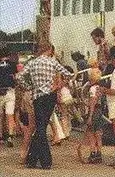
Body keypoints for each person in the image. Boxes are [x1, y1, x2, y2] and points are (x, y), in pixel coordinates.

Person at [16, 42, 74, 170]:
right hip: (50, 96)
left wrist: (29, 87)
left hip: (37, 96)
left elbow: (19, 77)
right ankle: (45, 161)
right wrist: (59, 85)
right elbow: (69, 74)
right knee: (42, 127)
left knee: (40, 126)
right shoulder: (52, 62)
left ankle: (32, 159)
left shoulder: (32, 63)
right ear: (48, 50)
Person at [79, 68, 105, 164]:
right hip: (99, 111)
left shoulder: (92, 89)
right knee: (98, 133)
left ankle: (93, 153)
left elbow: (93, 102)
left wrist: (89, 116)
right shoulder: (99, 88)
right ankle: (99, 153)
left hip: (94, 111)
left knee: (91, 132)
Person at [0, 45, 17, 147]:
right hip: (10, 91)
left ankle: (1, 137)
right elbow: (15, 78)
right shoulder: (13, 64)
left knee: (0, 116)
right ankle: (10, 136)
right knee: (10, 115)